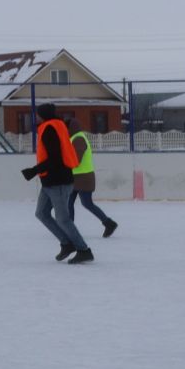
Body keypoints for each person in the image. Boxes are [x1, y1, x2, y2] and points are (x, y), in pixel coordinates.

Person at [22, 103, 93, 263]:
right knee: (41, 213)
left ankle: (84, 250)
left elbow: (55, 158)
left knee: (63, 219)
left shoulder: (49, 129)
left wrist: (34, 170)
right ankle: (67, 243)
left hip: (58, 181)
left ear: (44, 115)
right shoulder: (56, 126)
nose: (36, 117)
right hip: (50, 181)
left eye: (38, 114)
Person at [65, 117, 119, 239]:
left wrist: (64, 164)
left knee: (87, 203)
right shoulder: (74, 138)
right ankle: (69, 228)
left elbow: (76, 160)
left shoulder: (78, 139)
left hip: (83, 178)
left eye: (65, 128)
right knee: (69, 203)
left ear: (70, 128)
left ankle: (108, 223)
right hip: (76, 177)